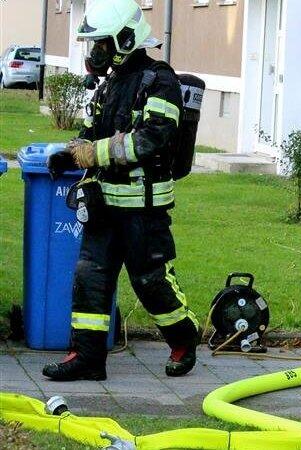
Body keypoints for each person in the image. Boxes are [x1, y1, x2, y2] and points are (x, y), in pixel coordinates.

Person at [43, 0, 199, 381]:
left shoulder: (159, 80)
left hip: (143, 209)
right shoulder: (111, 83)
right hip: (104, 205)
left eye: (100, 44)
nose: (95, 53)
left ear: (125, 39)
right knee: (90, 279)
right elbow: (94, 133)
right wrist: (69, 154)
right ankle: (88, 358)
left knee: (151, 282)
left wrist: (91, 154)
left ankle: (184, 339)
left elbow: (152, 140)